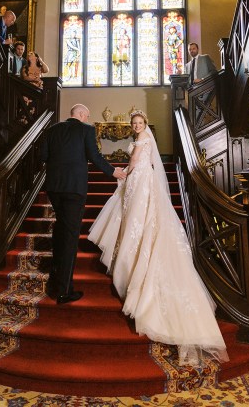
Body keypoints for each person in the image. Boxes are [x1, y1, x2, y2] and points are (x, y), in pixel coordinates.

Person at [88, 110, 229, 366]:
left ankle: (135, 258)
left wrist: (123, 175)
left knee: (136, 219)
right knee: (136, 219)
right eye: (135, 123)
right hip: (145, 182)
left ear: (144, 125)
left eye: (140, 122)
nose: (137, 125)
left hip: (139, 182)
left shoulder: (141, 141)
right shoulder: (147, 139)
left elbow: (134, 164)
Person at [42, 104, 127, 304]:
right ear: (81, 115)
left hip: (54, 187)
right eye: (87, 116)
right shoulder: (86, 130)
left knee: (61, 229)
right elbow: (94, 156)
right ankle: (63, 291)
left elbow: (43, 157)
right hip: (74, 189)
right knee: (70, 237)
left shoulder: (51, 130)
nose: (88, 120)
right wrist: (112, 171)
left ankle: (55, 280)